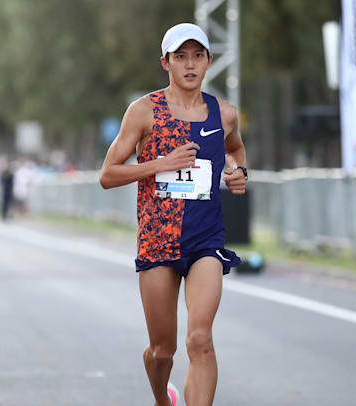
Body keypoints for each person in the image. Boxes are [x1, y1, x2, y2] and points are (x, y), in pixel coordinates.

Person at [99, 23, 247, 406]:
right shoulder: (144, 111)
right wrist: (160, 164)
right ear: (166, 62)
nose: (190, 64)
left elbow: (235, 150)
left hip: (205, 240)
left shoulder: (225, 114)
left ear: (209, 61)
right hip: (158, 240)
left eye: (197, 56)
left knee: (200, 339)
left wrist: (238, 171)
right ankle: (162, 400)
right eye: (180, 56)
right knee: (162, 351)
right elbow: (107, 175)